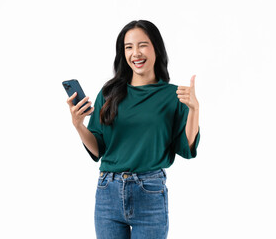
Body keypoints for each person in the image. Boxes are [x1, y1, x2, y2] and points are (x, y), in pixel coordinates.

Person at [66, 20, 200, 239]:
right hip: (107, 192)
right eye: (129, 47)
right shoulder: (109, 92)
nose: (136, 53)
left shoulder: (173, 96)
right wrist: (78, 125)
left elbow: (187, 147)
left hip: (149, 191)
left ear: (157, 47)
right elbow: (98, 148)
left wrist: (194, 110)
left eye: (142, 45)